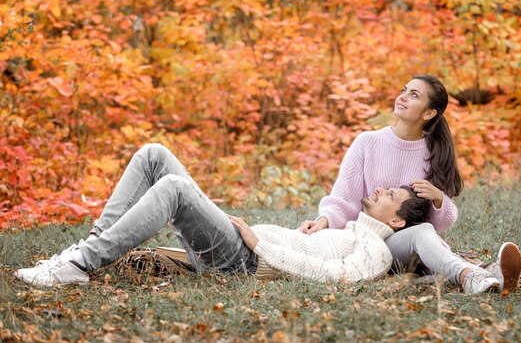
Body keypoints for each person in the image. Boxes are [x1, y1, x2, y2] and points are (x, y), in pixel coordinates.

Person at [14, 144, 432, 287]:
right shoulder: (350, 230)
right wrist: (311, 228)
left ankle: (79, 264)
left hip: (243, 262)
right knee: (153, 155)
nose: (378, 188)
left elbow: (334, 277)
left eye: (389, 193)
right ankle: (81, 253)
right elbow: (318, 248)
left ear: (397, 221)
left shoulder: (374, 250)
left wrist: (260, 244)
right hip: (239, 248)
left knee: (174, 189)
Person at [299, 75, 521, 294]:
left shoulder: (434, 153)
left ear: (429, 113)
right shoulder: (367, 142)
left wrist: (438, 199)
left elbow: (441, 224)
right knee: (424, 237)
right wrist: (323, 221)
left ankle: (488, 275)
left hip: (407, 246)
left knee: (424, 235)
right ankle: (474, 275)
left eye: (413, 95)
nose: (403, 97)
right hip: (369, 242)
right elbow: (343, 198)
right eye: (403, 90)